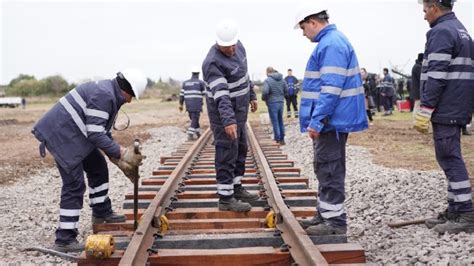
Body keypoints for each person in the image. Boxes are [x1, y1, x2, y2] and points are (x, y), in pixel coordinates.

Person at [31, 69, 148, 252]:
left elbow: (101, 132)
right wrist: (123, 153)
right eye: (131, 96)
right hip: (63, 137)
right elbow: (95, 134)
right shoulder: (104, 95)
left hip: (76, 135)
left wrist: (116, 159)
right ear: (126, 89)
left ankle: (101, 212)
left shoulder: (109, 93)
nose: (130, 101)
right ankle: (65, 239)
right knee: (74, 185)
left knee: (98, 168)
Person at [294, 6, 368, 235]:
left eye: (303, 28)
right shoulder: (331, 42)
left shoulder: (330, 44)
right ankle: (325, 214)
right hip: (332, 120)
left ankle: (334, 223)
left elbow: (331, 88)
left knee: (330, 169)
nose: (303, 33)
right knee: (325, 167)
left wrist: (316, 121)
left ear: (314, 22)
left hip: (331, 121)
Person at [415, 0, 474, 234]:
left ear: (435, 8)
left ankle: (465, 213)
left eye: (425, 10)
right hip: (458, 104)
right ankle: (456, 209)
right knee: (450, 157)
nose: (424, 16)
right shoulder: (461, 29)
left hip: (447, 106)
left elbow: (437, 74)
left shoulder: (440, 32)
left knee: (449, 157)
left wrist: (426, 107)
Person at [202, 19, 259, 212]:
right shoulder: (212, 63)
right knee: (227, 151)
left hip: (240, 112)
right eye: (227, 47)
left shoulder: (239, 47)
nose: (232, 50)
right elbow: (221, 95)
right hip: (223, 115)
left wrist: (251, 94)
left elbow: (245, 74)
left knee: (240, 149)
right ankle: (226, 198)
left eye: (233, 45)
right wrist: (228, 121)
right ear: (218, 43)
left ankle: (236, 187)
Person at [179, 67, 206, 140]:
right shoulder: (201, 83)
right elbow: (205, 94)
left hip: (188, 105)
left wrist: (180, 105)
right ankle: (190, 133)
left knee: (194, 119)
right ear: (198, 74)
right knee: (195, 119)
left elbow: (181, 95)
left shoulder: (185, 83)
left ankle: (197, 133)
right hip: (196, 105)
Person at [262, 67, 288, 145]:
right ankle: (282, 139)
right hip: (281, 102)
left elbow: (265, 91)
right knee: (280, 120)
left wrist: (264, 98)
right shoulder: (282, 79)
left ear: (267, 72)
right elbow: (286, 90)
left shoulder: (268, 80)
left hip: (272, 102)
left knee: (275, 121)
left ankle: (277, 138)